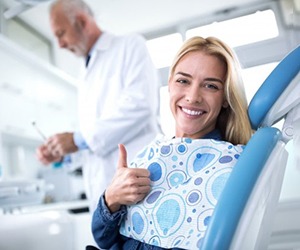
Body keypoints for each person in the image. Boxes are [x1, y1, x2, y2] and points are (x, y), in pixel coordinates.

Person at [90, 36, 253, 249]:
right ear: (169, 85)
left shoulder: (226, 165)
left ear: (225, 97)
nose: (193, 97)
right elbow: (103, 239)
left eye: (211, 86)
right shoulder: (152, 154)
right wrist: (111, 198)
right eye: (183, 81)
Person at [36, 0, 161, 214]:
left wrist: (75, 140)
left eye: (61, 33)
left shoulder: (130, 46)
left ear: (82, 22)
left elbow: (140, 105)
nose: (60, 44)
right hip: (104, 195)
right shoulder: (84, 72)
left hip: (137, 186)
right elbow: (95, 139)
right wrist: (63, 152)